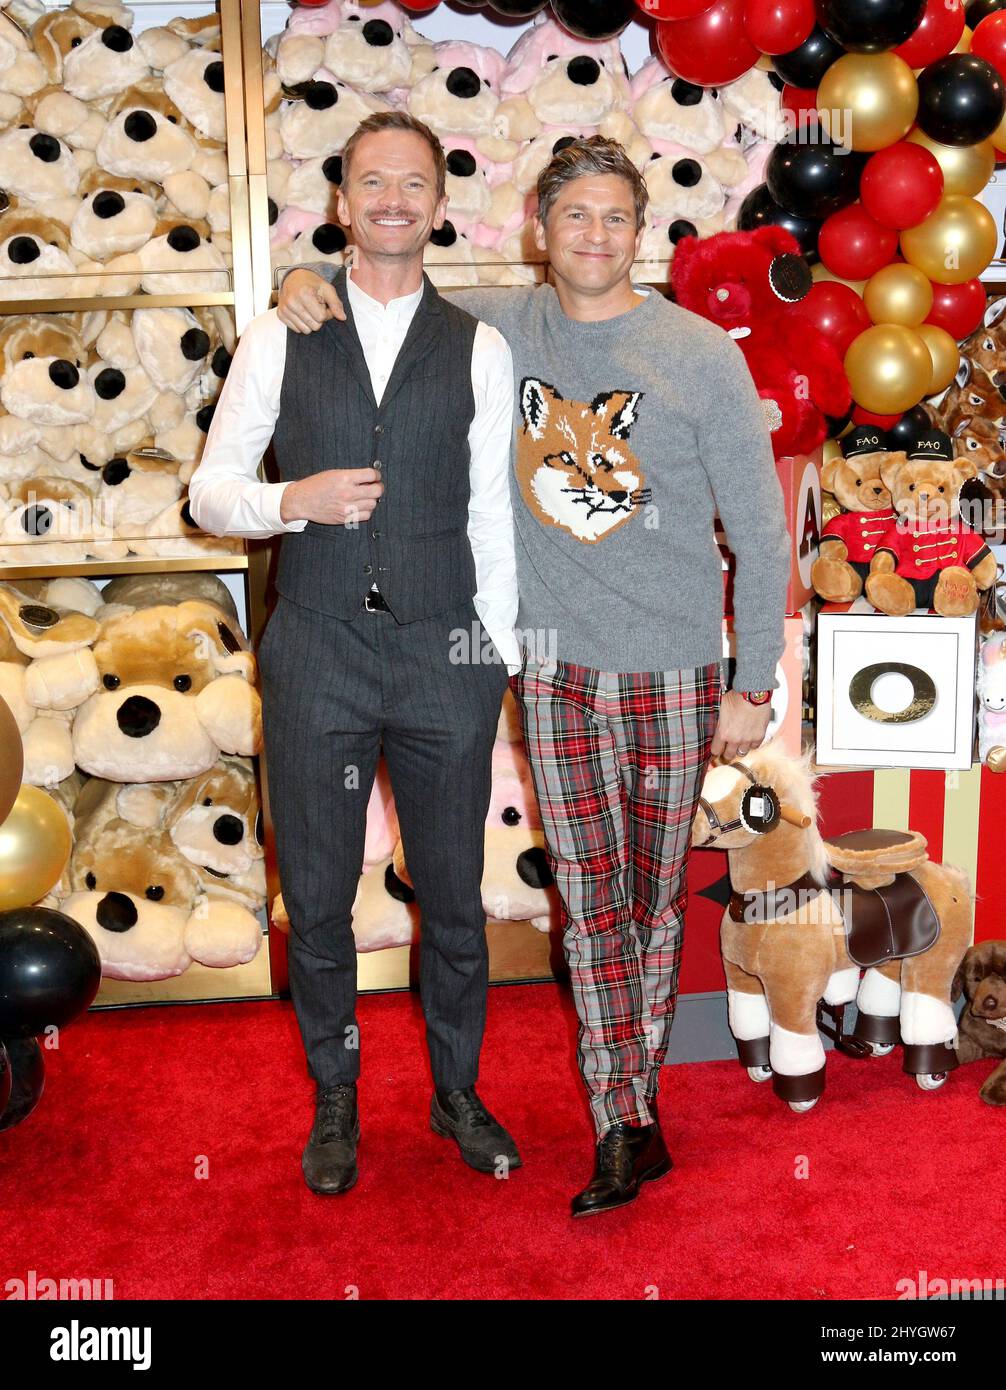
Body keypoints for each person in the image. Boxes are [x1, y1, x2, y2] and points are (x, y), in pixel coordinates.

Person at [279, 135, 791, 1215]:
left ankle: (629, 1102)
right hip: (550, 667)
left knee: (651, 902)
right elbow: (387, 285)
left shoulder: (700, 353)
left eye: (614, 217)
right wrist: (307, 282)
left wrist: (755, 679)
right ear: (539, 232)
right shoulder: (497, 329)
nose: (593, 235)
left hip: (677, 667)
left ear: (639, 232)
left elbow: (758, 525)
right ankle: (621, 1120)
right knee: (588, 904)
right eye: (574, 217)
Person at [188, 110, 522, 1197]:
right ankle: (336, 1098)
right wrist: (294, 500)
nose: (391, 199)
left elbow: (493, 519)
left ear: (437, 205)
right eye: (370, 181)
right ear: (341, 205)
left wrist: (493, 662)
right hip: (317, 652)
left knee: (457, 901)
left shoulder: (478, 343)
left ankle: (457, 1091)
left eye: (411, 183)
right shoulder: (281, 331)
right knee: (320, 898)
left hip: (443, 655)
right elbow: (210, 493)